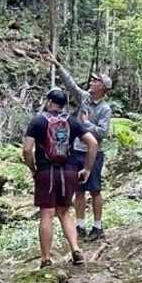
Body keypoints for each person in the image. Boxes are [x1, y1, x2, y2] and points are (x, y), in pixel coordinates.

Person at [23, 88, 98, 268]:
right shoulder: (72, 121)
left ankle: (46, 258)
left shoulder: (37, 121)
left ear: (49, 102)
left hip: (46, 172)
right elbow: (93, 143)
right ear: (63, 105)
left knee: (47, 213)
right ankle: (76, 249)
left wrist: (33, 168)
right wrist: (87, 169)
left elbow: (26, 150)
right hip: (70, 171)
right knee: (64, 211)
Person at [49, 54, 113, 241]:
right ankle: (80, 225)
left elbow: (102, 132)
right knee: (78, 190)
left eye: (96, 81)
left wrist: (86, 124)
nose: (91, 83)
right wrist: (58, 65)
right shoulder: (84, 98)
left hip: (93, 153)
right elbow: (71, 85)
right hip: (76, 150)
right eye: (92, 80)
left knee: (95, 189)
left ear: (103, 87)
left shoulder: (105, 109)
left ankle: (98, 226)